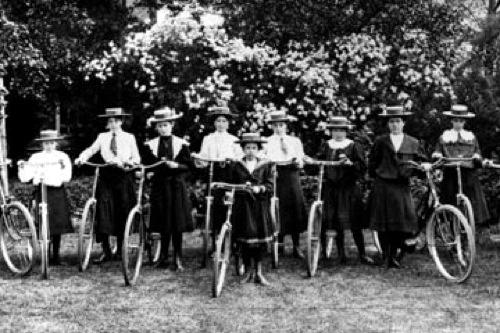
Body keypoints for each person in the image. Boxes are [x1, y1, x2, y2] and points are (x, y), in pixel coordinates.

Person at [75, 107, 140, 263]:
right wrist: (81, 157)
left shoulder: (129, 137)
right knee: (103, 210)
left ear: (121, 121)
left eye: (116, 121)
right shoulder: (102, 137)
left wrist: (129, 163)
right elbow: (91, 150)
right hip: (107, 176)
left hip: (123, 175)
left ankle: (120, 249)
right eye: (110, 121)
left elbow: (137, 158)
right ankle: (106, 250)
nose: (113, 124)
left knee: (121, 210)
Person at [369, 106, 427, 268]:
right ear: (388, 124)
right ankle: (386, 255)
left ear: (404, 123)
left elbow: (422, 162)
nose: (395, 125)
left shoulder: (413, 142)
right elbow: (372, 164)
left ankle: (395, 254)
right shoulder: (380, 142)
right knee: (384, 223)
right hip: (383, 186)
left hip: (401, 187)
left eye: (398, 121)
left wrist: (423, 168)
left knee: (400, 223)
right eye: (391, 122)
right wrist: (380, 175)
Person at [316, 116, 374, 265]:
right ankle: (341, 254)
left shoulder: (353, 145)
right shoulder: (326, 145)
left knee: (355, 223)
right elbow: (318, 161)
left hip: (348, 189)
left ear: (346, 131)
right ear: (331, 131)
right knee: (335, 222)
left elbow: (362, 167)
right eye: (335, 130)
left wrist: (350, 163)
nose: (338, 133)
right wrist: (311, 161)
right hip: (331, 188)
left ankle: (362, 253)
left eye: (341, 130)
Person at [141, 107, 194, 271]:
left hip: (176, 185)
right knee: (163, 221)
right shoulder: (151, 145)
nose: (163, 128)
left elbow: (189, 167)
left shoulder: (181, 144)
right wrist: (149, 173)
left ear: (171, 125)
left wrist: (176, 165)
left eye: (166, 125)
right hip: (160, 187)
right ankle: (163, 256)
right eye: (160, 126)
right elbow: (147, 165)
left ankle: (178, 256)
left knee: (176, 222)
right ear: (156, 128)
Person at [18, 130, 73, 265]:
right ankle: (45, 255)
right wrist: (22, 167)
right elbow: (26, 176)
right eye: (46, 143)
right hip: (42, 192)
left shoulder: (62, 157)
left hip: (57, 192)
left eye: (52, 143)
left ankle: (56, 255)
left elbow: (67, 176)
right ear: (42, 144)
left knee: (57, 224)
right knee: (43, 223)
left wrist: (55, 177)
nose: (49, 146)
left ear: (56, 143)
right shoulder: (36, 158)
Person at [193, 106, 242, 248]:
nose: (221, 124)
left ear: (228, 123)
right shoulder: (208, 139)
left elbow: (240, 158)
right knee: (214, 205)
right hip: (214, 173)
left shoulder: (234, 139)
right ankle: (215, 241)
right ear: (214, 123)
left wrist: (231, 159)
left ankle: (232, 240)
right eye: (218, 121)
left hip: (230, 174)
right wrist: (198, 158)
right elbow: (204, 158)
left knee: (230, 204)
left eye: (224, 121)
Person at [432, 104, 489, 227]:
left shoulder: (471, 137)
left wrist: (478, 159)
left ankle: (469, 232)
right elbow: (438, 152)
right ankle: (453, 231)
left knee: (472, 204)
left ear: (465, 122)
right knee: (450, 203)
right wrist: (438, 157)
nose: (458, 124)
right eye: (456, 121)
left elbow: (477, 153)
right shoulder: (444, 137)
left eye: (461, 121)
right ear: (451, 121)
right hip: (451, 174)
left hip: (468, 174)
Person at [229, 133, 275, 286]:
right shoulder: (236, 166)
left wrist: (259, 188)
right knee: (245, 240)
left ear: (258, 149)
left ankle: (259, 271)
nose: (250, 151)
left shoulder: (266, 165)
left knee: (260, 240)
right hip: (242, 206)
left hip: (259, 206)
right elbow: (231, 183)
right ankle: (248, 270)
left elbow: (270, 185)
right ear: (242, 149)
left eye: (254, 148)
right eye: (247, 147)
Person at [262, 110, 307, 258]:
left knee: (294, 206)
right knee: (277, 206)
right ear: (272, 127)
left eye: (281, 125)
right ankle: (278, 243)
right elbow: (263, 159)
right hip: (275, 174)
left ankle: (296, 245)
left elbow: (301, 161)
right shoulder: (266, 141)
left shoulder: (295, 141)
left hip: (291, 174)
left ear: (286, 126)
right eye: (275, 125)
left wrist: (295, 160)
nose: (278, 128)